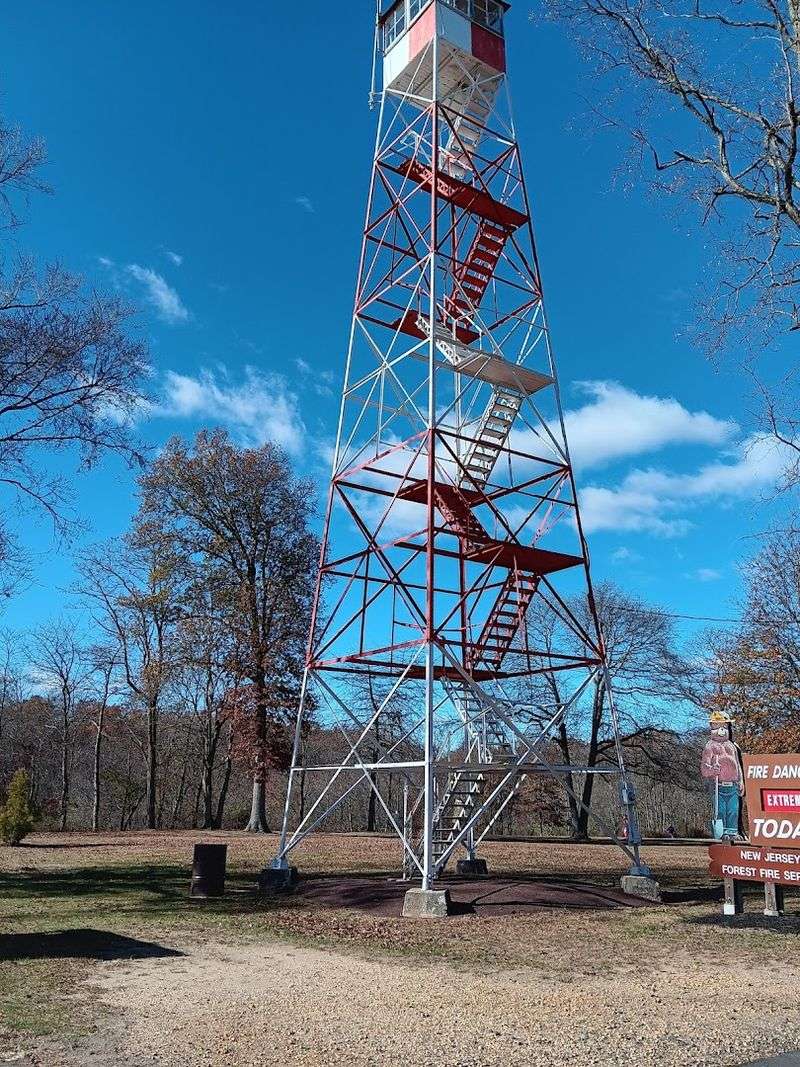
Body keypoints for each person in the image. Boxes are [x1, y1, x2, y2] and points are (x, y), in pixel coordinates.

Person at [700, 710, 745, 840]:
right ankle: (722, 832)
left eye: (724, 726)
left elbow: (737, 764)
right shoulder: (710, 746)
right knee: (720, 810)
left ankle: (733, 832)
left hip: (733, 785)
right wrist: (712, 770)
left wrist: (741, 781)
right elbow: (704, 768)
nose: (721, 730)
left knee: (733, 810)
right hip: (718, 786)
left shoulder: (733, 746)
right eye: (717, 726)